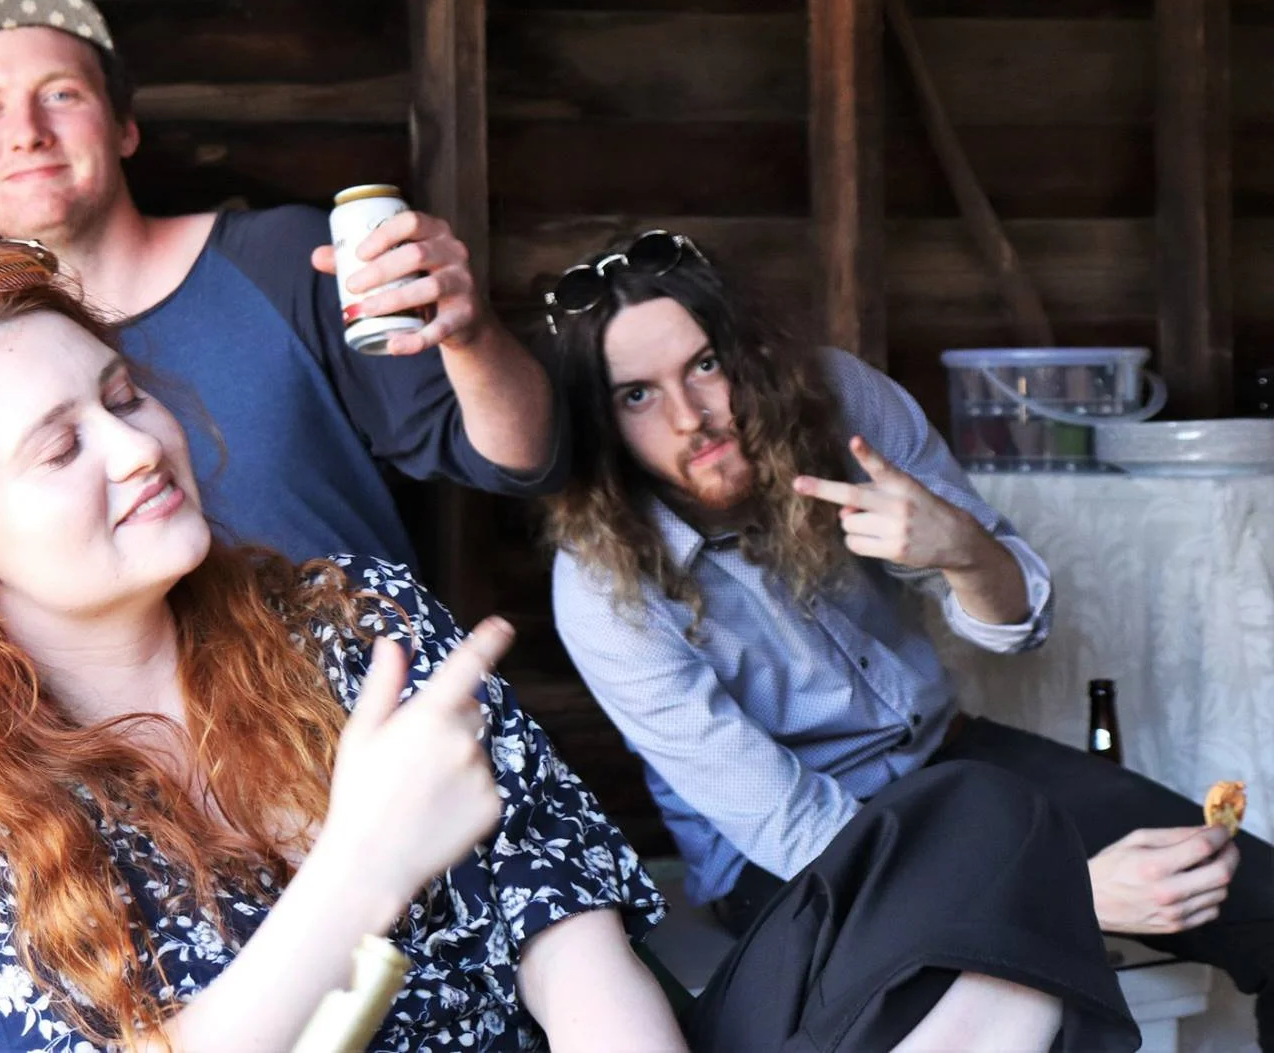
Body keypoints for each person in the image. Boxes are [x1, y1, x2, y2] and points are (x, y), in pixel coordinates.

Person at [0, 248, 1139, 1052]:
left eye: (126, 395)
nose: (141, 446)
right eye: (61, 444)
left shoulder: (350, 622)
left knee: (977, 823)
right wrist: (364, 859)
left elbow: (574, 944)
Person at [544, 228, 1274, 1046]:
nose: (690, 418)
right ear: (601, 424)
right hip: (789, 861)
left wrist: (960, 548)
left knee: (1265, 900)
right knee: (1034, 976)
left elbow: (1020, 625)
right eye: (636, 395)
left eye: (705, 364)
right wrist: (1057, 892)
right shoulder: (602, 590)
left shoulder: (843, 400)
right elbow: (792, 828)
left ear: (750, 351)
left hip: (952, 761)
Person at [0, 0, 559, 572]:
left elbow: (518, 460)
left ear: (125, 127)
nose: (27, 133)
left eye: (61, 94)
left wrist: (470, 335)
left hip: (370, 700)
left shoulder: (286, 258)